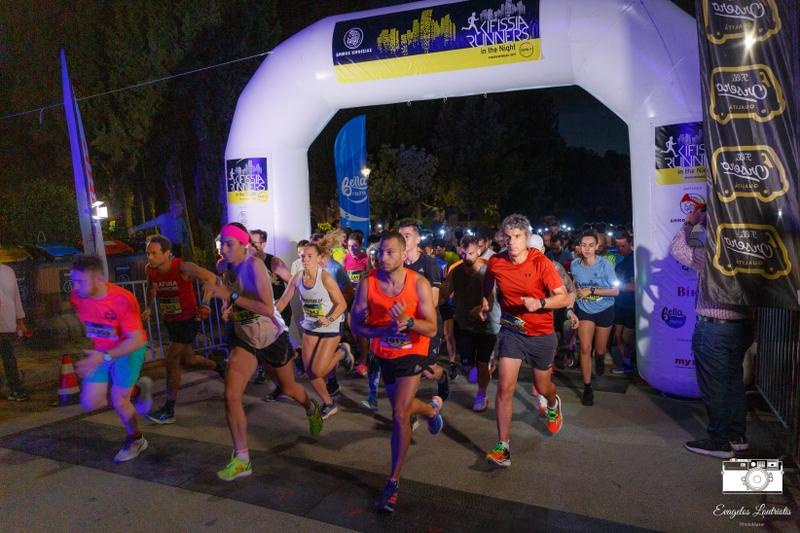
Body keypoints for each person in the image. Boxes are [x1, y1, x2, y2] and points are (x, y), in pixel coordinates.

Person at [206, 223, 323, 481]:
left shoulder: (256, 265)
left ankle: (310, 407)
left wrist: (231, 297)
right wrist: (227, 307)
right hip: (245, 339)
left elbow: (267, 308)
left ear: (243, 244)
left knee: (288, 388)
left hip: (271, 337)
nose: (223, 249)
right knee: (231, 395)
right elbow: (229, 294)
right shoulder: (223, 266)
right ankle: (242, 459)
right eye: (221, 243)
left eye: (229, 244)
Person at [351, 231, 442, 513]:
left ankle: (393, 482)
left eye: (390, 252)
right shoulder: (367, 284)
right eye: (380, 251)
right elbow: (356, 326)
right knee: (403, 407)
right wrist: (384, 331)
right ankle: (431, 410)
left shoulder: (419, 283)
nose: (383, 257)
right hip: (385, 354)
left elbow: (432, 328)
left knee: (400, 413)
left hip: (413, 351)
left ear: (404, 254)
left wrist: (409, 322)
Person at [482, 214, 570, 467]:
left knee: (543, 387)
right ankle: (503, 446)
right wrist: (485, 302)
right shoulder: (496, 262)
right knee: (504, 387)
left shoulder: (540, 262)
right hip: (512, 332)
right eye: (507, 236)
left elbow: (563, 297)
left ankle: (552, 403)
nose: (511, 241)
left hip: (541, 334)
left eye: (517, 236)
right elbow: (488, 286)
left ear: (527, 238)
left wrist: (540, 303)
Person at [671, 208, 754, 458]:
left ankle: (720, 441)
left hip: (714, 328)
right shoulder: (750, 252)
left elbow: (678, 249)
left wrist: (689, 223)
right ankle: (737, 436)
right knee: (733, 382)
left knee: (715, 387)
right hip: (742, 325)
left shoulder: (714, 253)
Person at [70, 255, 153, 462]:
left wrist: (105, 357)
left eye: (80, 281)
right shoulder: (77, 296)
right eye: (73, 281)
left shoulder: (122, 299)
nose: (75, 287)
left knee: (119, 399)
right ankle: (137, 390)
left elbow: (136, 339)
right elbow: (92, 324)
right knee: (90, 402)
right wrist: (97, 352)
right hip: (101, 351)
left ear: (99, 279)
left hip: (128, 349)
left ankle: (136, 439)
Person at [142, 235, 224, 424]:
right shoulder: (150, 269)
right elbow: (151, 288)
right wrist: (148, 307)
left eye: (154, 253)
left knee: (171, 361)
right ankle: (219, 366)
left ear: (167, 253)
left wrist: (205, 303)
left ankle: (168, 410)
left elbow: (212, 277)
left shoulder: (183, 267)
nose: (150, 257)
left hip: (189, 319)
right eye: (148, 253)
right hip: (171, 320)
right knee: (189, 359)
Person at [276, 232, 350, 419]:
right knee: (310, 372)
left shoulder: (325, 278)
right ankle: (329, 404)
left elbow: (342, 304)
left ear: (319, 258)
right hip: (311, 326)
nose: (306, 260)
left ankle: (342, 351)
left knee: (318, 370)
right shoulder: (297, 278)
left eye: (310, 256)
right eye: (303, 256)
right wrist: (269, 315)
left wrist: (330, 318)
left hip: (331, 326)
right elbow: (283, 301)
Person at [439, 236, 500, 411]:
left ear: (479, 251)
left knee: (482, 364)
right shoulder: (456, 271)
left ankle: (482, 394)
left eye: (471, 253)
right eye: (464, 253)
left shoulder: (488, 271)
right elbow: (444, 294)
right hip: (465, 323)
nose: (467, 257)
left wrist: (482, 308)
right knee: (466, 364)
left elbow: (491, 297)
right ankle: (478, 368)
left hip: (487, 325)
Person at [398, 220, 450, 404]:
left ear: (418, 239)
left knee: (428, 369)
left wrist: (415, 316)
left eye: (407, 236)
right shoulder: (397, 263)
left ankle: (442, 377)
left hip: (427, 322)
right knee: (407, 365)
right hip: (405, 322)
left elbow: (434, 299)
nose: (403, 239)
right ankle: (407, 409)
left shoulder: (429, 264)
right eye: (400, 236)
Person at [571, 231, 620, 406]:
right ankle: (587, 387)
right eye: (584, 245)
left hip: (605, 309)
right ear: (579, 246)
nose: (587, 249)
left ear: (597, 247)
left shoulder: (605, 264)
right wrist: (572, 305)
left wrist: (591, 290)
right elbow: (575, 285)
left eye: (591, 245)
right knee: (585, 348)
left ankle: (599, 358)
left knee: (599, 349)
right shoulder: (575, 264)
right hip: (585, 310)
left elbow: (615, 291)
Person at [249, 229, 295, 390]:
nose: (250, 246)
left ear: (263, 244)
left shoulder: (274, 262)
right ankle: (269, 373)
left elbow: (293, 282)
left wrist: (281, 302)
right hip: (261, 313)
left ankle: (287, 382)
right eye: (248, 243)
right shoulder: (247, 264)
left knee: (276, 347)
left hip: (279, 312)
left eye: (254, 243)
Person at [0, 263, 31, 401]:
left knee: (8, 358)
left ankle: (15, 388)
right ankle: (16, 389)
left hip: (6, 322)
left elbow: (15, 298)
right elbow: (16, 298)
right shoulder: (8, 271)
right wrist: (20, 321)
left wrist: (20, 321)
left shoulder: (8, 271)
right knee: (9, 357)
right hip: (8, 323)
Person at [343, 231, 370, 377]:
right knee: (352, 328)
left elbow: (370, 278)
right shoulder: (346, 258)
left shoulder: (366, 259)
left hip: (362, 299)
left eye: (354, 246)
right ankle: (362, 353)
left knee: (361, 330)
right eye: (349, 246)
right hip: (349, 298)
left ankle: (364, 362)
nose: (352, 249)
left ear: (360, 245)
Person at [612, 230, 636, 375]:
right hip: (619, 304)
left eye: (623, 246)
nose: (620, 249)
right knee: (618, 336)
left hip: (630, 306)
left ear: (630, 244)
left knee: (627, 338)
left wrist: (616, 287)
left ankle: (629, 365)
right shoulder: (620, 260)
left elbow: (634, 286)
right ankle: (626, 364)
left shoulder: (633, 260)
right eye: (618, 246)